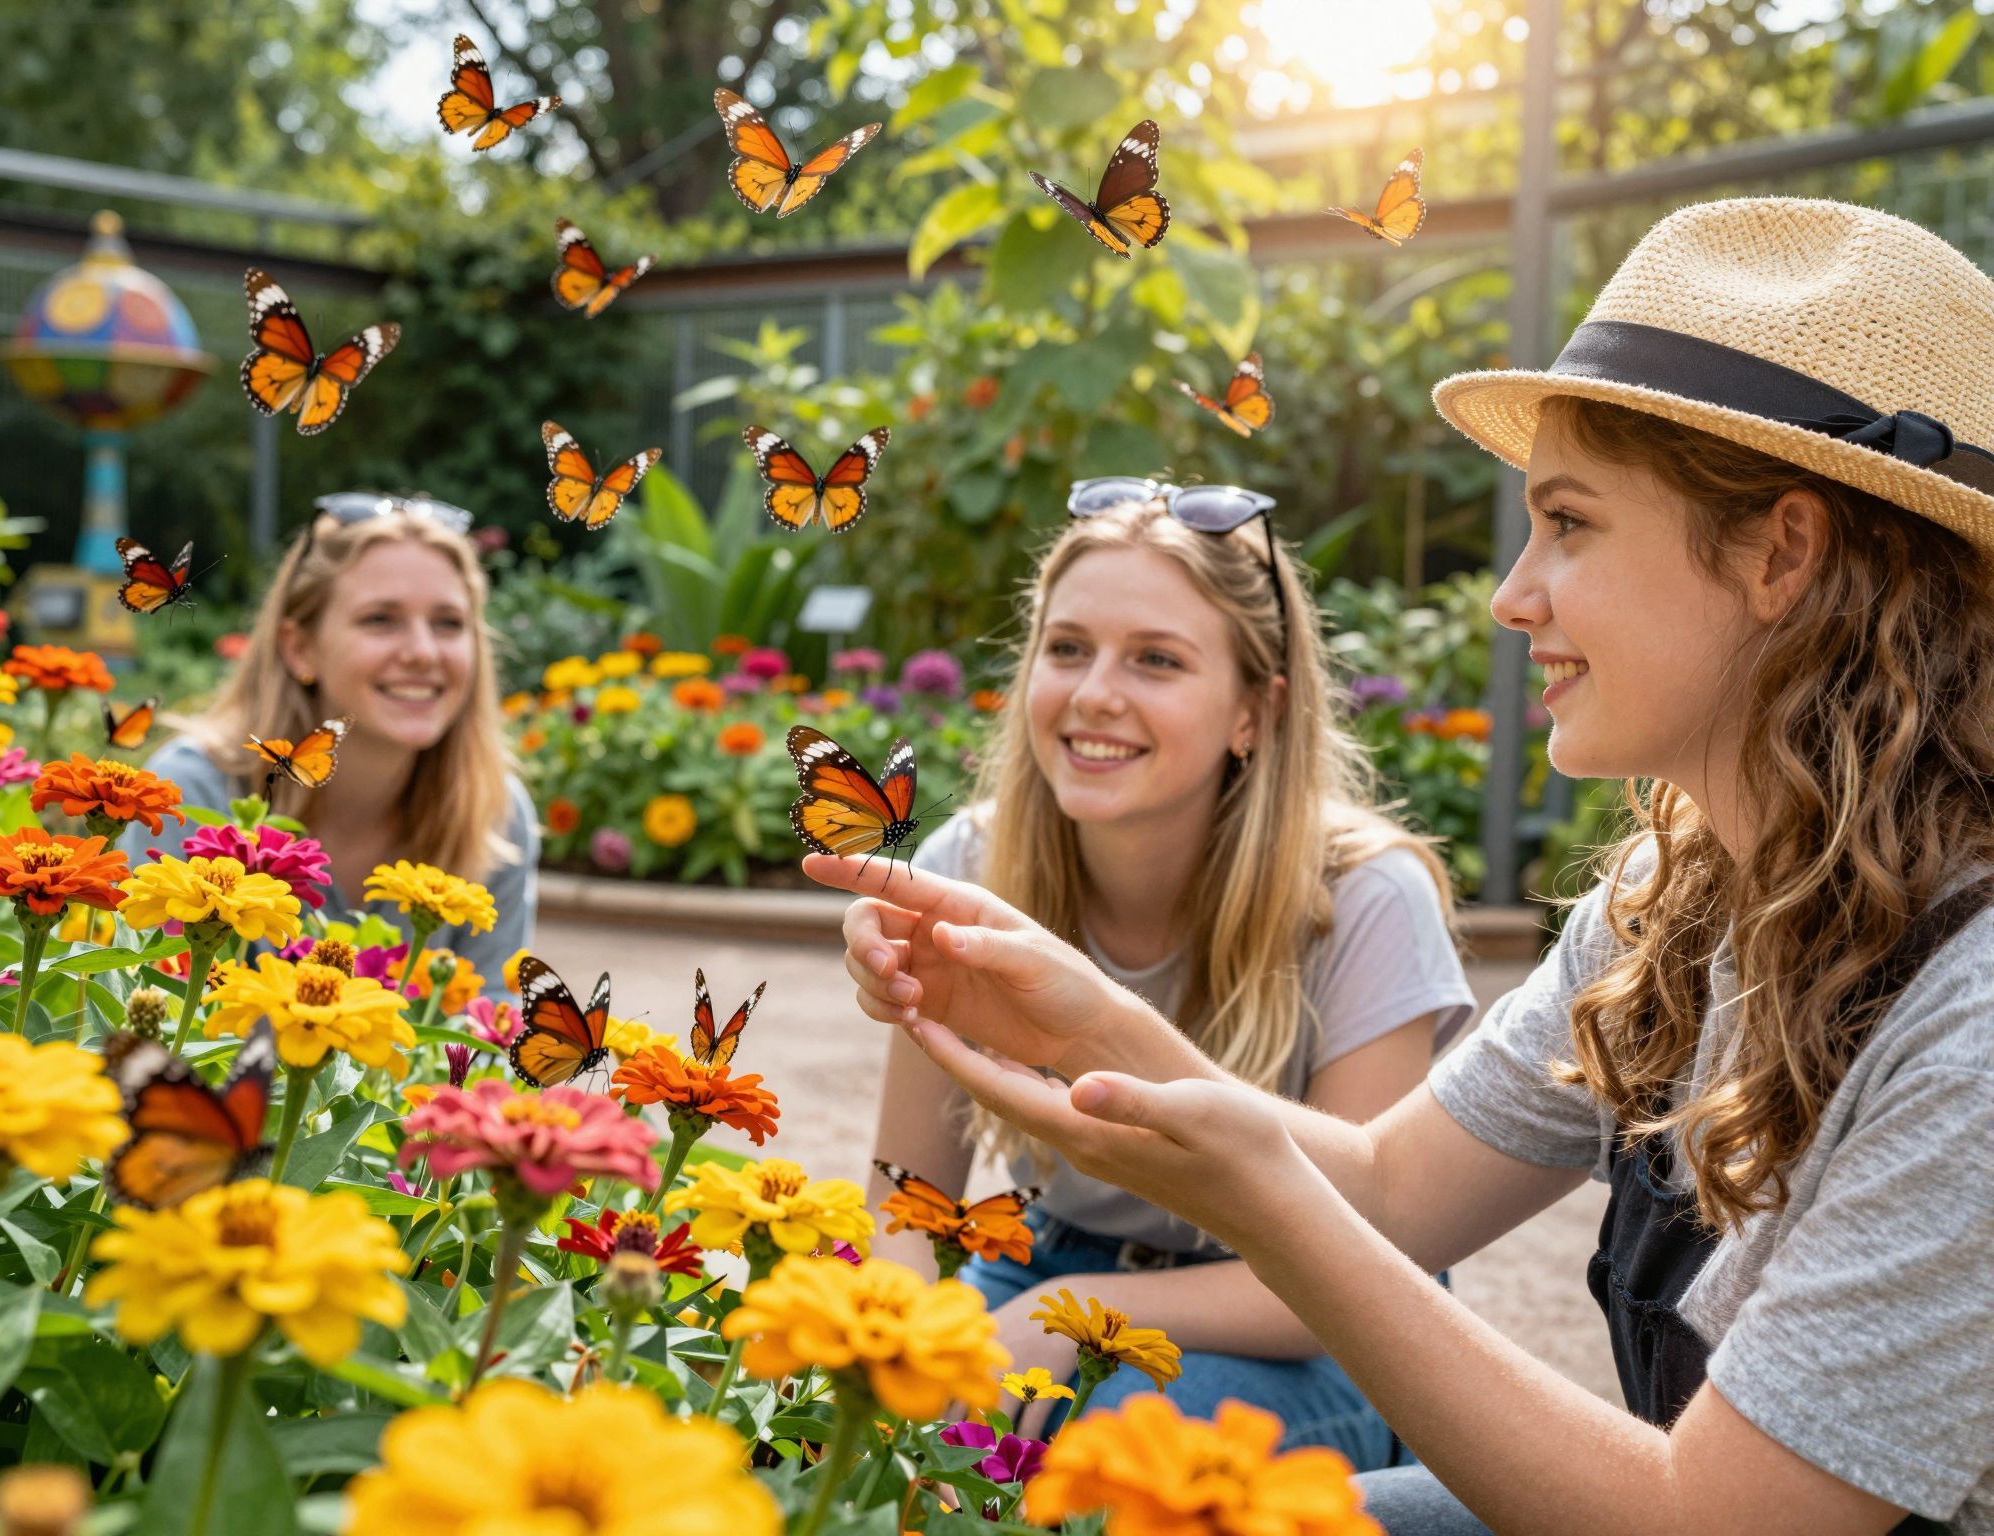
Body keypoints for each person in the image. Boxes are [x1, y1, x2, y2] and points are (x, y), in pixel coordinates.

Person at [814, 197, 1994, 1536]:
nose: (1513, 594)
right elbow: (1388, 1186)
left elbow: (1709, 1522)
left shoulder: (1973, 1028)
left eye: (1571, 524)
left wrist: (1235, 1193)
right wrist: (1086, 1018)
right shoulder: (1678, 899)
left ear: (1783, 551)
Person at [866, 483, 1476, 1468]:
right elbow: (904, 1195)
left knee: (1109, 1452)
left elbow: (1367, 1252)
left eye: (1154, 660)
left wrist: (1080, 1314)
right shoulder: (965, 871)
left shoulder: (1363, 898)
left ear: (1253, 711)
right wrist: (888, 1360)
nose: (1093, 691)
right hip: (1038, 1265)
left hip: (1307, 1316)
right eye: (1066, 649)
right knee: (830, 1421)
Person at [125, 494, 538, 997]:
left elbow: (489, 1034)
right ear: (300, 647)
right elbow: (149, 1000)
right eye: (380, 619)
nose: (423, 652)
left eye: (449, 623)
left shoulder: (494, 813)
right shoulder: (193, 792)